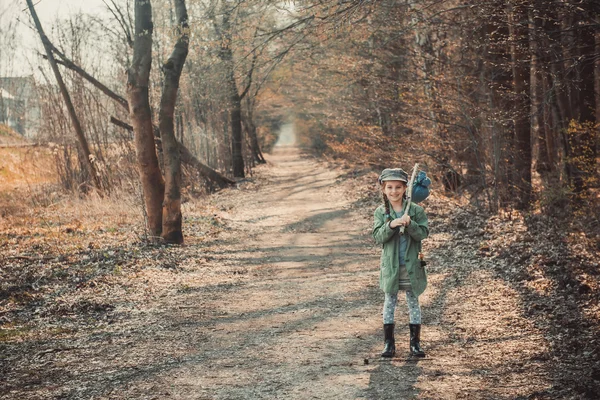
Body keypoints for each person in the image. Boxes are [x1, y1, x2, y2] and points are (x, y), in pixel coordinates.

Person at [372, 168, 429, 358]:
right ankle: (389, 344)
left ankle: (415, 343)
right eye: (389, 187)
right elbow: (378, 237)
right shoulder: (381, 212)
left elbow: (423, 233)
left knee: (413, 302)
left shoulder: (415, 210)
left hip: (412, 265)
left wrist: (410, 224)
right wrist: (391, 225)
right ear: (383, 189)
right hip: (391, 266)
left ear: (406, 188)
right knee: (390, 302)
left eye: (398, 187)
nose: (394, 191)